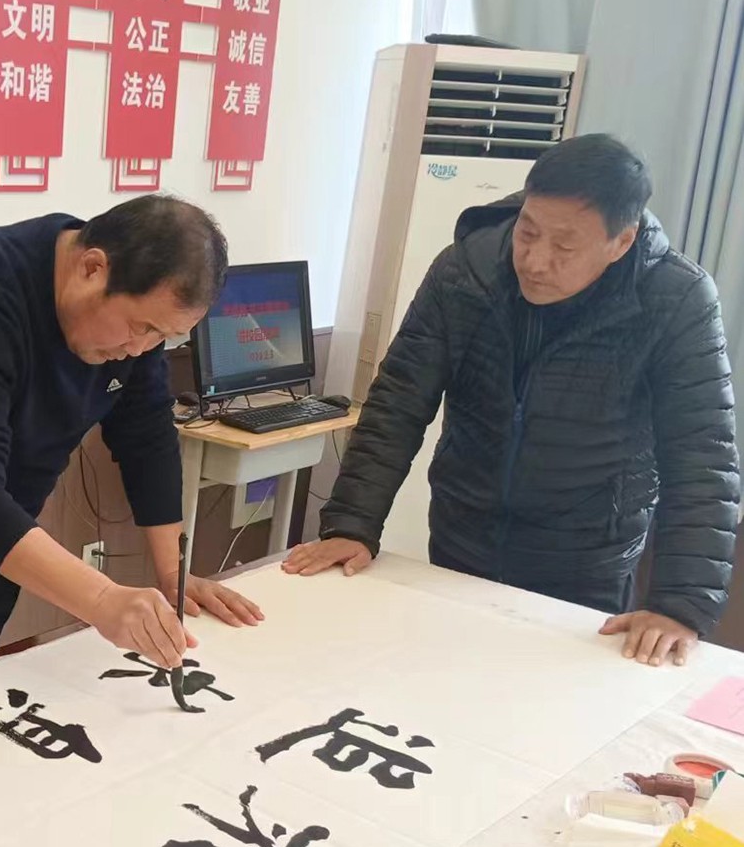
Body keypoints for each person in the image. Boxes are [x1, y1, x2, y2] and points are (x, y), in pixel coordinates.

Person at [284, 134, 739, 667]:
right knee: (442, 675)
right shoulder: (465, 271)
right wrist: (351, 525)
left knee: (552, 697)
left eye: (564, 246)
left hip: (586, 557)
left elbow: (702, 453)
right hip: (462, 534)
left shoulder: (676, 299)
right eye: (528, 231)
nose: (536, 261)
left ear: (621, 241)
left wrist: (680, 604)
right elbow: (398, 402)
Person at [0, 195, 264, 698]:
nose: (140, 349)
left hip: (3, 520)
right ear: (92, 268)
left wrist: (173, 574)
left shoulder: (138, 324)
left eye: (164, 338)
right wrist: (101, 599)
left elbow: (146, 432)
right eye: (142, 328)